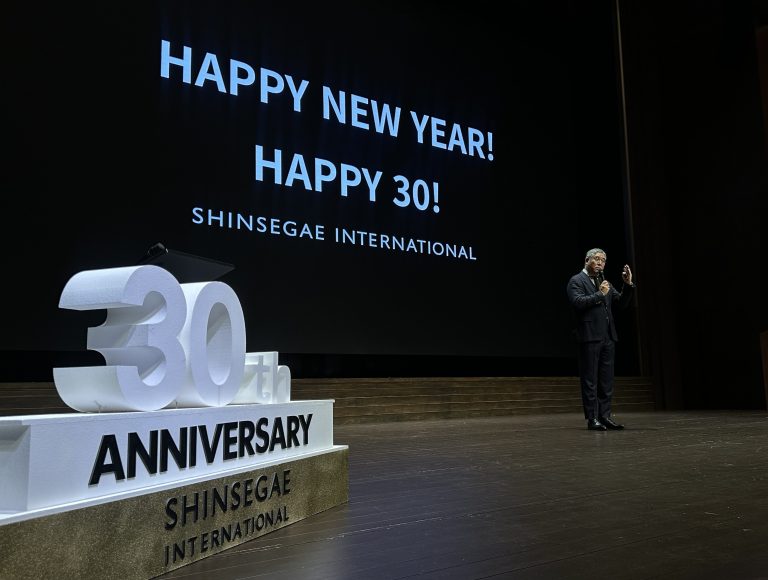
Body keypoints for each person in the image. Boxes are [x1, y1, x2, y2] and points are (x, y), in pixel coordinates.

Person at [566, 248, 635, 431]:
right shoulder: (576, 281)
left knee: (606, 380)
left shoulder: (604, 283)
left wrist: (627, 284)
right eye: (596, 259)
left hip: (607, 337)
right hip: (589, 337)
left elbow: (621, 304)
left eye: (603, 260)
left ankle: (605, 416)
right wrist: (599, 294)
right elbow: (578, 303)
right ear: (587, 260)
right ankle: (593, 418)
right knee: (590, 380)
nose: (600, 263)